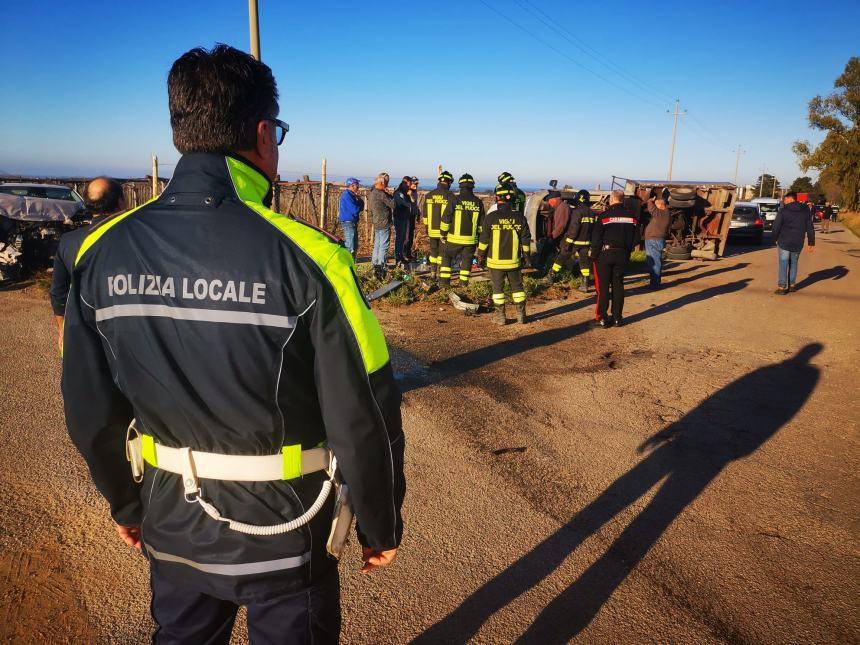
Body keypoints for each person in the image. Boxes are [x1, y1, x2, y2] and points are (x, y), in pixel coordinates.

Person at [61, 44, 405, 644]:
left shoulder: (97, 252)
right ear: (264, 132)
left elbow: (88, 408)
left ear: (180, 130)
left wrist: (126, 504)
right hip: (288, 533)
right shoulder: (314, 258)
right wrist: (380, 521)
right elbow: (365, 412)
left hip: (171, 521)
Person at [50, 176, 126, 352]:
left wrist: (62, 329)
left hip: (82, 330)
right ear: (121, 202)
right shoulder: (134, 239)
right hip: (125, 329)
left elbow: (58, 293)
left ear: (88, 204)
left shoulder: (68, 241)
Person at [477, 183, 532, 325]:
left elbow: (483, 240)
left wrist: (480, 256)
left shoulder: (491, 217)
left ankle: (501, 317)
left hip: (495, 262)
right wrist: (527, 257)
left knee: (498, 289)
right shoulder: (520, 217)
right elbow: (525, 240)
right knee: (518, 288)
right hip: (514, 261)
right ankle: (521, 316)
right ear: (512, 197)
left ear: (497, 197)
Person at [591, 190, 640, 327]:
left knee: (603, 287)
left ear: (611, 200)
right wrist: (626, 250)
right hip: (622, 255)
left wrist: (594, 255)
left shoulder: (604, 216)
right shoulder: (632, 217)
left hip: (605, 254)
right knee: (618, 286)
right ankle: (617, 318)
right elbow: (636, 239)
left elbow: (596, 238)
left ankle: (602, 318)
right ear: (622, 200)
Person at [439, 173, 485, 287]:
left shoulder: (454, 199)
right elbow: (481, 225)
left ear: (460, 186)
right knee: (467, 261)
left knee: (446, 257)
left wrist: (443, 234)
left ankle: (444, 283)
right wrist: (478, 239)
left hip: (454, 239)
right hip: (470, 241)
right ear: (472, 186)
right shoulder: (478, 202)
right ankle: (463, 284)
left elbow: (446, 219)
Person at [545, 189, 594, 291]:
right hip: (586, 243)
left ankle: (550, 276)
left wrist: (568, 242)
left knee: (561, 258)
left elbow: (574, 228)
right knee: (584, 263)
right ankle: (585, 284)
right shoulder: (591, 213)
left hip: (574, 242)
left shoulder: (577, 212)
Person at [772, 191, 815, 294]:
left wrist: (774, 238)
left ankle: (782, 287)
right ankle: (792, 285)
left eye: (785, 199)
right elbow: (810, 228)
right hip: (798, 242)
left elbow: (776, 226)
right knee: (794, 263)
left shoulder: (783, 211)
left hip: (784, 242)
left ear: (791, 199)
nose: (784, 201)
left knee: (783, 263)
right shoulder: (805, 212)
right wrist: (811, 243)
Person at [423, 170, 454, 280]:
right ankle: (441, 273)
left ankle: (432, 273)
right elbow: (452, 214)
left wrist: (427, 227)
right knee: (442, 253)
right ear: (449, 182)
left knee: (433, 252)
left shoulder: (429, 195)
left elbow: (425, 214)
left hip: (432, 230)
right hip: (444, 231)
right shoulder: (450, 196)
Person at [537, 190, 569, 279]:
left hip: (563, 236)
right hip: (560, 235)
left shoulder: (562, 208)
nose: (549, 203)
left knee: (550, 248)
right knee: (547, 249)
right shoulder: (560, 207)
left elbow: (561, 226)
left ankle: (544, 270)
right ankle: (541, 267)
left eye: (550, 201)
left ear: (554, 200)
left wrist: (551, 237)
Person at [643, 195, 672, 289]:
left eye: (656, 205)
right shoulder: (666, 213)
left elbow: (651, 208)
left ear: (660, 205)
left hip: (653, 240)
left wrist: (650, 200)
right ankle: (655, 282)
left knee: (654, 262)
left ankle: (655, 284)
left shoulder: (661, 213)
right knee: (655, 261)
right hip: (657, 239)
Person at [369, 172, 394, 279]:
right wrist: (391, 195)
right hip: (384, 222)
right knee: (383, 246)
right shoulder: (381, 194)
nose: (387, 184)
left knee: (377, 245)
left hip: (376, 222)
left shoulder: (373, 192)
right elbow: (393, 204)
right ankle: (381, 268)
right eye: (387, 182)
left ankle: (375, 264)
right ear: (382, 183)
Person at [338, 177, 363, 258]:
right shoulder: (347, 195)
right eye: (357, 185)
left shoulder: (351, 195)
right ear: (352, 185)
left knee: (354, 244)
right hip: (348, 222)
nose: (358, 187)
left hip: (351, 222)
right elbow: (355, 209)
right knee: (350, 244)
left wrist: (359, 201)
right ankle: (347, 261)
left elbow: (360, 208)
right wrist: (359, 203)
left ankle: (352, 261)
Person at [393, 176, 414, 267]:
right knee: (400, 237)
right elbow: (404, 203)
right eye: (409, 184)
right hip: (399, 217)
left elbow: (412, 202)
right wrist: (409, 203)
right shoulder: (399, 192)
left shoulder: (405, 192)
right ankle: (397, 257)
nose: (410, 186)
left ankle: (400, 255)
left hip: (405, 217)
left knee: (403, 238)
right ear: (405, 182)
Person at [403, 176, 420, 261]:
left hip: (413, 215)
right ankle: (404, 253)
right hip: (407, 216)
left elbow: (415, 204)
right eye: (414, 184)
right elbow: (412, 201)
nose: (416, 186)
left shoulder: (415, 192)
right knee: (406, 236)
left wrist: (418, 214)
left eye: (417, 184)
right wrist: (410, 195)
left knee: (411, 234)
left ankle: (408, 252)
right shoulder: (407, 192)